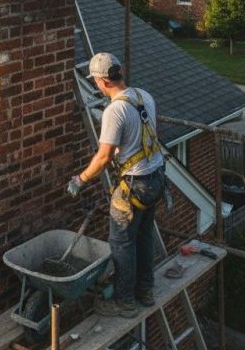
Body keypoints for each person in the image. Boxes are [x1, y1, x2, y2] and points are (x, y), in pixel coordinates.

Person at [66, 53, 166, 318]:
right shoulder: (144, 96)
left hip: (136, 184)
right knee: (144, 236)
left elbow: (104, 157)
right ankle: (145, 291)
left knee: (122, 244)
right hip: (156, 178)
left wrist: (80, 179)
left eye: (96, 81)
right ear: (119, 72)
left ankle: (125, 302)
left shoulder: (114, 111)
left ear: (101, 81)